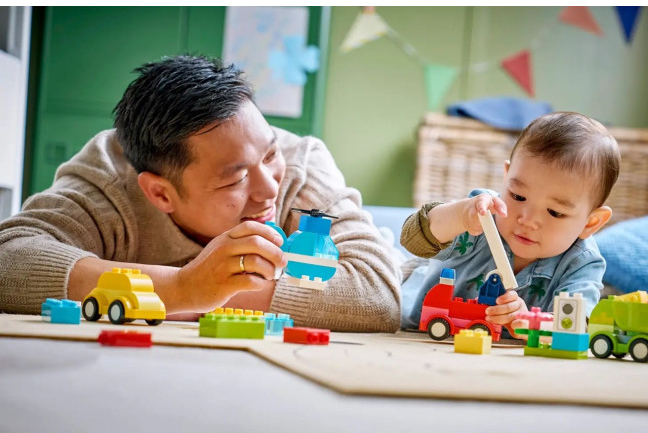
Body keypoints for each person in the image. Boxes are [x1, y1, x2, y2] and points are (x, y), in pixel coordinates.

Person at [0, 55, 401, 332]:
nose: (269, 189)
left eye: (270, 154)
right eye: (235, 180)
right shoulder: (108, 177)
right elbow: (9, 259)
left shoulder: (302, 163)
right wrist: (181, 288)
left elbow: (378, 295)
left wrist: (199, 295)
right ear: (160, 194)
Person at [400, 111, 620, 331]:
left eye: (554, 212)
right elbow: (412, 239)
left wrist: (528, 321)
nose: (528, 220)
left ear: (590, 223)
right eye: (518, 196)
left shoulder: (581, 264)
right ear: (506, 176)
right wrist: (460, 216)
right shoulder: (481, 214)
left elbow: (575, 326)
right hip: (427, 332)